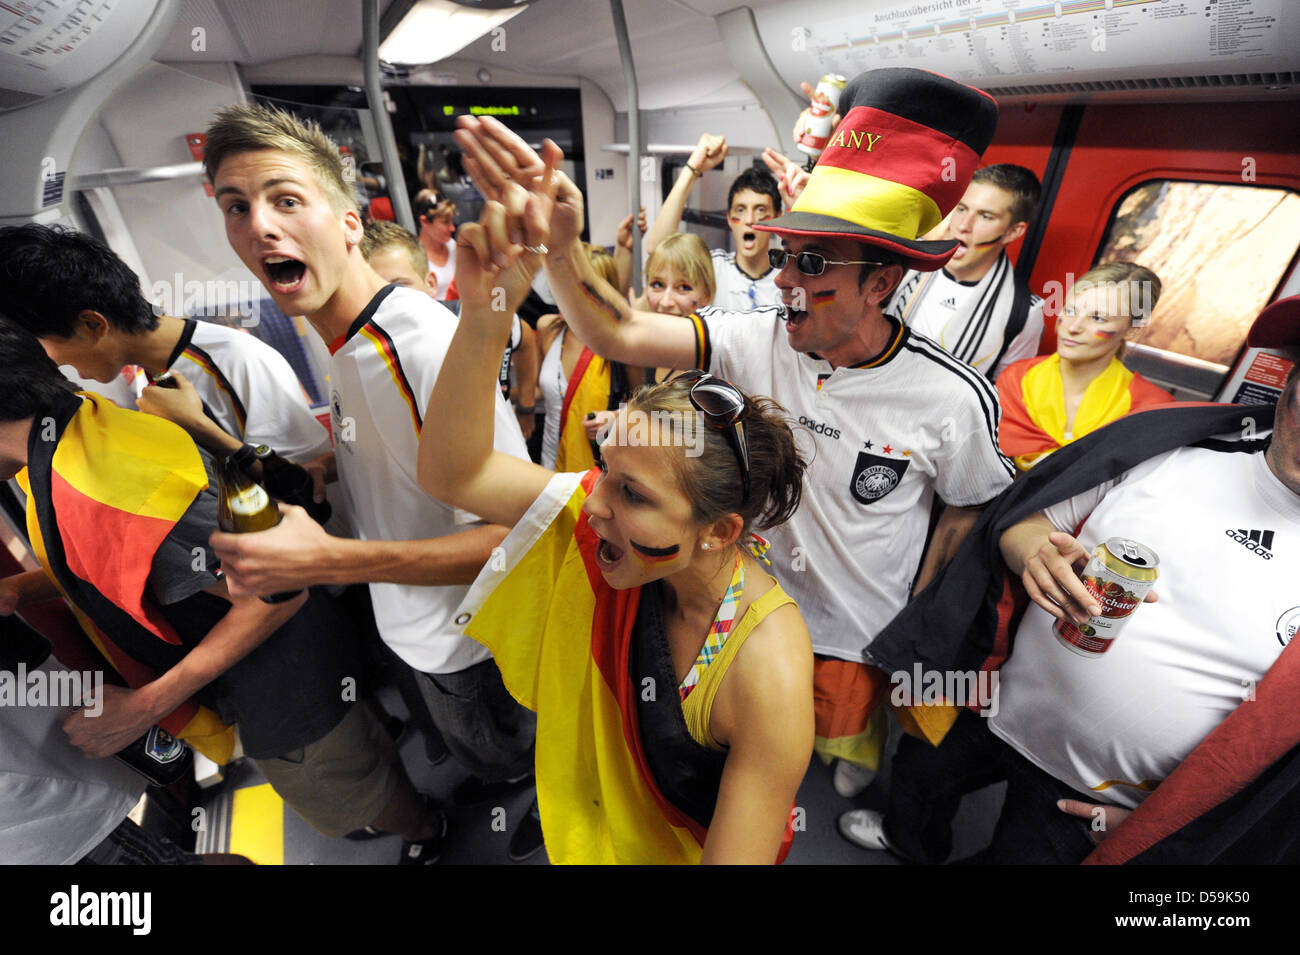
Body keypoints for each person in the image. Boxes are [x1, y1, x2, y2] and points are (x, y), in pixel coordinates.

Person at [451, 67, 1013, 804]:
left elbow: (971, 506)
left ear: (880, 285)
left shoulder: (952, 396)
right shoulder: (758, 338)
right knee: (722, 758)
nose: (784, 282)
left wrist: (924, 617)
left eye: (814, 265)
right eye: (784, 257)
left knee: (819, 766)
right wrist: (562, 249)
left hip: (855, 634)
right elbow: (617, 327)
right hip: (739, 607)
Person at [415, 158, 814, 862]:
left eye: (632, 494)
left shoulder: (768, 667)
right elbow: (455, 471)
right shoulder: (601, 523)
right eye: (607, 473)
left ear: (719, 530)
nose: (591, 505)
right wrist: (486, 315)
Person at [199, 104, 544, 860]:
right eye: (237, 206)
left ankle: (537, 794)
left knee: (504, 751)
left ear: (349, 222)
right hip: (412, 627)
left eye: (286, 199)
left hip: (467, 640)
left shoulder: (420, 348)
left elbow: (516, 534)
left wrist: (330, 561)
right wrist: (331, 472)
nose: (260, 225)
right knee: (469, 747)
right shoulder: (345, 341)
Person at [859, 294, 1300, 864]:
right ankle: (908, 844)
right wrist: (1034, 553)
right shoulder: (1172, 447)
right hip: (988, 702)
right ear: (1290, 376)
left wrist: (1174, 832)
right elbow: (1023, 518)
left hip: (1096, 801)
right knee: (917, 783)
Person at [0, 319, 444, 863]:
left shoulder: (104, 486)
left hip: (280, 679)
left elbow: (272, 593)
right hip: (294, 659)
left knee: (339, 784)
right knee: (355, 743)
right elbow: (121, 560)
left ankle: (426, 828)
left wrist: (143, 706)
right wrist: (20, 588)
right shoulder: (82, 433)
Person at [0, 224, 332, 498]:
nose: (49, 363)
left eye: (42, 346)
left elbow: (308, 489)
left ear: (93, 325)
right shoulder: (150, 370)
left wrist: (198, 427)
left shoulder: (236, 361)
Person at [361, 219, 538, 441]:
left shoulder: (470, 320)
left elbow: (524, 337)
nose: (386, 303)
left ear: (431, 284)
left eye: (399, 288)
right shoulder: (367, 356)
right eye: (373, 293)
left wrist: (526, 407)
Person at [996, 264, 1173, 471]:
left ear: (1132, 331)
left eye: (1097, 318)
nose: (1072, 328)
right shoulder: (1017, 380)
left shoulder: (1151, 409)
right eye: (1070, 310)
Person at [886, 165, 1044, 379]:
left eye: (985, 216)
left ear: (1013, 231)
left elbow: (1003, 392)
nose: (963, 226)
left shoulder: (1025, 312)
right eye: (961, 209)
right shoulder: (908, 259)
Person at [645, 134, 783, 311]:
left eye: (760, 210)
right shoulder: (713, 268)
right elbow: (658, 248)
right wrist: (692, 169)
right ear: (729, 218)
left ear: (777, 218)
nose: (749, 220)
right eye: (740, 210)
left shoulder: (789, 276)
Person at [536, 244, 639, 471]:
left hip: (600, 470)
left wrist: (615, 418)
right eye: (561, 284)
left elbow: (644, 409)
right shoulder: (549, 329)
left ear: (600, 296)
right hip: (549, 465)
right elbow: (541, 391)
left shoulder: (621, 346)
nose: (563, 294)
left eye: (576, 289)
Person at [414, 193, 457, 300]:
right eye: (446, 222)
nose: (452, 228)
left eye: (452, 221)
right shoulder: (415, 257)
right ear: (424, 221)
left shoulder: (453, 245)